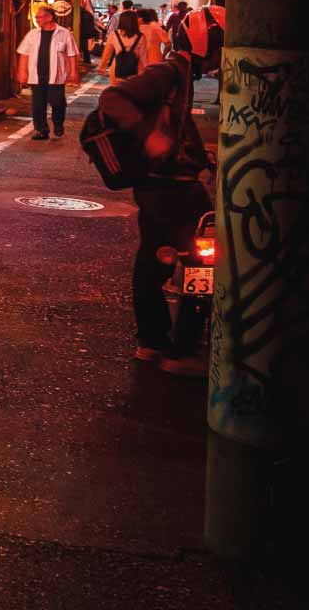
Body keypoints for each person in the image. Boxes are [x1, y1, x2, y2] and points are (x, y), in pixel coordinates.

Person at [98, 34, 216, 375]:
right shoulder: (167, 72)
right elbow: (112, 98)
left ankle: (151, 342)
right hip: (168, 188)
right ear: (206, 43)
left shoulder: (181, 75)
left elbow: (177, 122)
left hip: (159, 185)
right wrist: (148, 136)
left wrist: (195, 150)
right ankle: (182, 351)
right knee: (202, 260)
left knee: (153, 260)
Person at [16, 4, 81, 140]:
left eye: (39, 17)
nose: (37, 19)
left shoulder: (64, 34)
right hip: (37, 75)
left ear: (50, 17)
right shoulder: (33, 34)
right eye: (37, 17)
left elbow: (71, 54)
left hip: (56, 76)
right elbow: (24, 53)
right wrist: (22, 71)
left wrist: (73, 72)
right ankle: (41, 130)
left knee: (58, 102)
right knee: (38, 104)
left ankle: (58, 124)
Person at [99, 5, 145, 80]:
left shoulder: (114, 34)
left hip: (117, 67)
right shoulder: (140, 37)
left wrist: (102, 66)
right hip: (134, 69)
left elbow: (107, 52)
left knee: (117, 90)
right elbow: (143, 57)